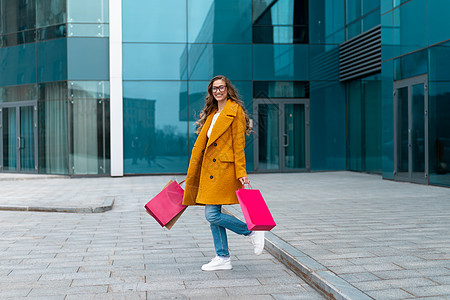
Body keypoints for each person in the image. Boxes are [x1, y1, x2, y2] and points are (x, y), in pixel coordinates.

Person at [182, 75, 265, 271]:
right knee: (214, 214)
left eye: (221, 87)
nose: (218, 91)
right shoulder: (212, 114)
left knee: (211, 215)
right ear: (211, 92)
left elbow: (239, 144)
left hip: (223, 170)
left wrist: (241, 172)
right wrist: (195, 172)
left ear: (228, 89)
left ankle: (251, 231)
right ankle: (223, 257)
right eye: (214, 88)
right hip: (209, 171)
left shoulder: (235, 111)